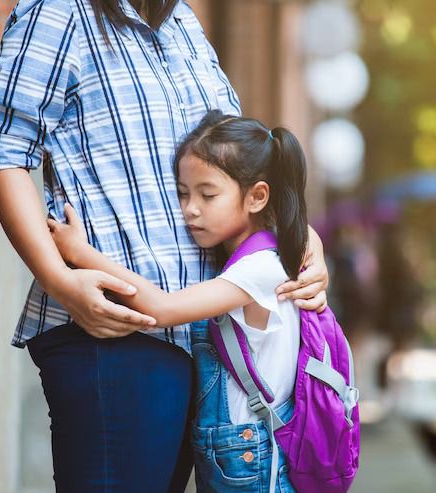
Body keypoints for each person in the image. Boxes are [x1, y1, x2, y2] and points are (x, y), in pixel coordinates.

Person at [0, 2, 328, 491]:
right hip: (111, 329)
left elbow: (242, 165)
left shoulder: (183, 23)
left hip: (200, 338)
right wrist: (62, 279)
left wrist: (304, 243)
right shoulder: (60, 11)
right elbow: (5, 150)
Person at [48, 110, 308, 492]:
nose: (191, 209)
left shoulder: (261, 268)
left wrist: (81, 252)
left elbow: (161, 309)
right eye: (184, 193)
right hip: (236, 452)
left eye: (208, 194)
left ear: (256, 197)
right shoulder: (251, 260)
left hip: (250, 457)